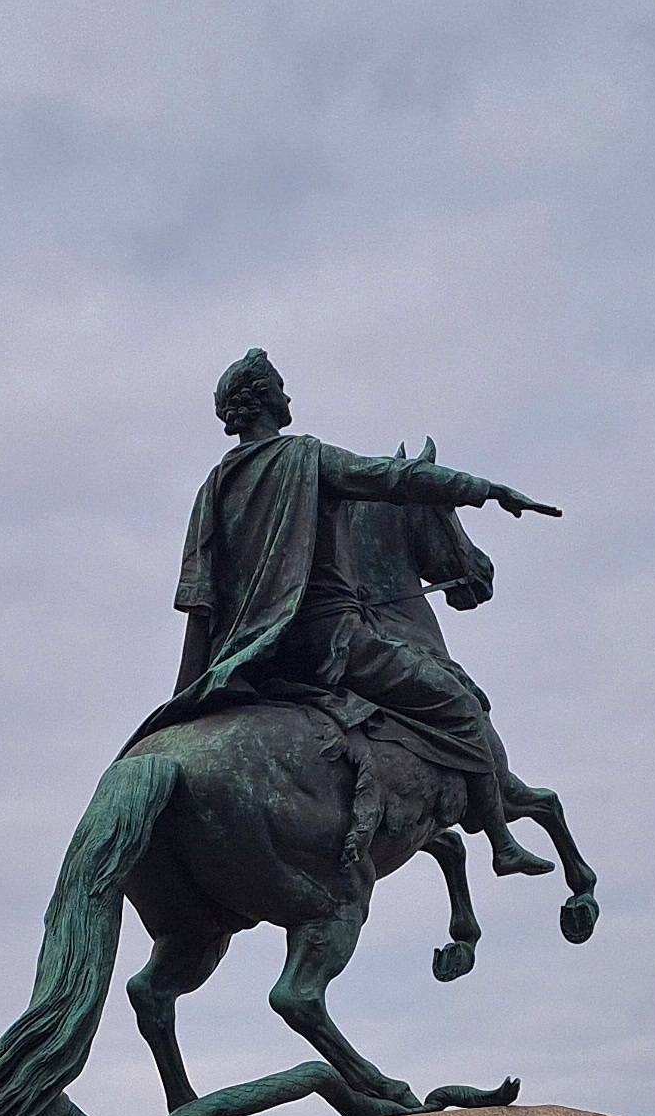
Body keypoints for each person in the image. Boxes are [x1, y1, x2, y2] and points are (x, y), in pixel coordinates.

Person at [141, 349, 559, 869]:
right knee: (459, 704)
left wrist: (189, 694)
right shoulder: (305, 459)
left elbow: (198, 597)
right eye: (282, 387)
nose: (289, 396)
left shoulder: (213, 488)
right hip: (330, 642)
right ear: (266, 399)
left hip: (249, 661)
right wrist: (485, 490)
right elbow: (394, 479)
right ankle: (502, 843)